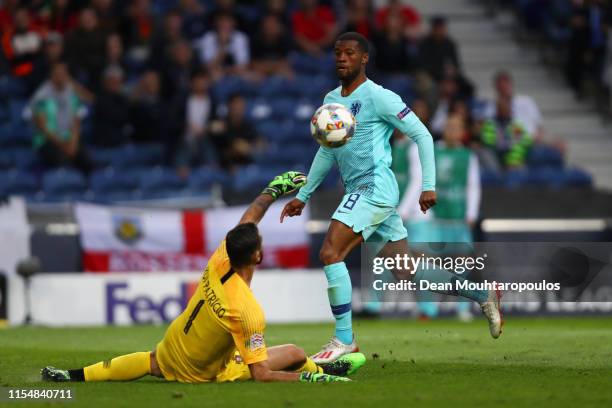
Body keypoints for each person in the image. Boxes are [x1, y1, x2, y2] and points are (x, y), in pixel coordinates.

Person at [280, 32, 502, 364]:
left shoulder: (380, 97)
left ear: (364, 59)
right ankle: (483, 295)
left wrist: (429, 185)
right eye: (338, 53)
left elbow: (423, 134)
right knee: (405, 269)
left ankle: (344, 339)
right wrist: (304, 194)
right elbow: (327, 150)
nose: (342, 58)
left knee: (330, 252)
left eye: (350, 53)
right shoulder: (331, 100)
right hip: (365, 193)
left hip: (373, 190)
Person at [40, 172, 365, 384]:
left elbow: (248, 219)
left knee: (148, 361)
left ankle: (72, 376)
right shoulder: (247, 309)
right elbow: (262, 374)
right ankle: (323, 373)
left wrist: (273, 190)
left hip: (172, 347)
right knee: (290, 354)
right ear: (257, 257)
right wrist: (313, 383)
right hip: (203, 373)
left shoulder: (220, 259)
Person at [399, 115, 482, 321]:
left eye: (456, 127)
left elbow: (473, 186)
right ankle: (429, 307)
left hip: (458, 216)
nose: (452, 131)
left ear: (462, 131)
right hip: (435, 216)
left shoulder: (467, 155)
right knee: (430, 264)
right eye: (449, 127)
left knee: (461, 263)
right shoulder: (432, 150)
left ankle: (462, 308)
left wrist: (472, 212)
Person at [30, 62, 92, 174]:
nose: (61, 76)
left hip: (69, 139)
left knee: (88, 162)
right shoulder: (42, 96)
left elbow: (76, 121)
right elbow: (43, 127)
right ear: (51, 75)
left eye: (63, 73)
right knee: (64, 162)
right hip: (48, 141)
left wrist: (74, 142)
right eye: (58, 73)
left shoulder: (71, 93)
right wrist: (63, 145)